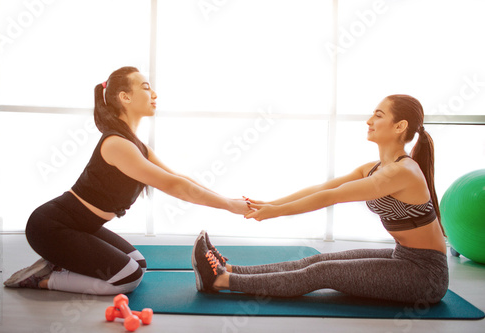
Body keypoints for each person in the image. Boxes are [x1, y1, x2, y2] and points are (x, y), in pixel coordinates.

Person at [5, 66, 251, 295]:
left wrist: (229, 200)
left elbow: (178, 178)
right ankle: (44, 279)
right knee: (128, 277)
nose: (154, 93)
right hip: (49, 228)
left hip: (80, 227)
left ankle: (60, 260)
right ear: (125, 97)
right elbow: (175, 187)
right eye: (145, 87)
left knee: (139, 263)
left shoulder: (136, 146)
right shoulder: (117, 144)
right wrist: (229, 207)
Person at [192, 94, 449, 304]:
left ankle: (219, 281)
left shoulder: (403, 172)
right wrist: (270, 204)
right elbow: (322, 188)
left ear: (400, 126)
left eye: (378, 115)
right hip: (402, 256)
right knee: (316, 260)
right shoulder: (375, 167)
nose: (369, 120)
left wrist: (276, 212)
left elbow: (332, 196)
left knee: (321, 273)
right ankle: (233, 270)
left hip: (426, 275)